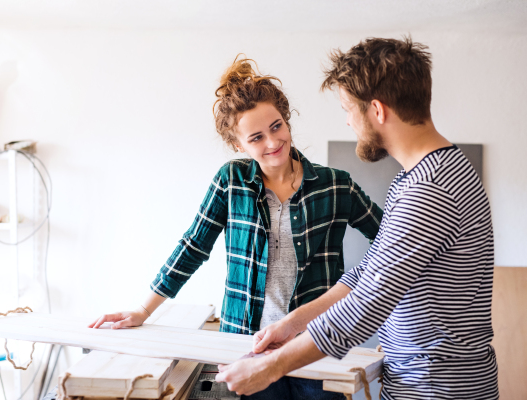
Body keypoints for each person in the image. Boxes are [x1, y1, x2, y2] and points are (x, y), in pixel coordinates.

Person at [215, 37, 499, 400]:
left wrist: (269, 368)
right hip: (424, 382)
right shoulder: (421, 176)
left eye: (349, 109)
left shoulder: (429, 190)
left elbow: (368, 305)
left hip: (436, 389)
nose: (348, 122)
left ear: (377, 111)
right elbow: (368, 274)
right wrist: (293, 323)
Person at [89, 56, 383, 399]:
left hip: (315, 346)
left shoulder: (336, 185)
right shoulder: (231, 182)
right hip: (245, 347)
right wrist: (143, 310)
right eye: (256, 137)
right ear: (238, 144)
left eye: (276, 127)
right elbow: (193, 247)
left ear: (286, 120)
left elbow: (391, 243)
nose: (272, 142)